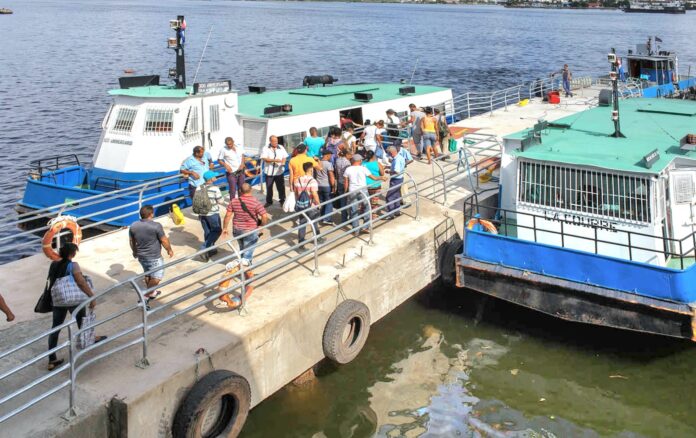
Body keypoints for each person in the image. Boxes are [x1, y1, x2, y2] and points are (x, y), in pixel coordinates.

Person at [46, 243, 104, 370]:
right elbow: (81, 282)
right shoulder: (73, 265)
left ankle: (52, 359)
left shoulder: (54, 264)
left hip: (59, 300)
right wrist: (92, 297)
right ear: (72, 254)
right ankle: (89, 339)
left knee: (55, 328)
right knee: (82, 321)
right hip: (73, 299)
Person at [129, 205, 174, 305]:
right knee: (157, 277)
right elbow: (164, 240)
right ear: (151, 214)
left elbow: (132, 241)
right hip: (154, 257)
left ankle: (152, 292)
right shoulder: (156, 226)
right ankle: (145, 296)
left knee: (148, 274)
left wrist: (135, 251)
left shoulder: (133, 226)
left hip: (141, 257)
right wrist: (169, 250)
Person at [222, 183, 268, 263]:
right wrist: (261, 226)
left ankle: (243, 267)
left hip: (237, 230)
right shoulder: (255, 202)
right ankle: (247, 271)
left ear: (240, 191)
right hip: (250, 230)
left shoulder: (234, 201)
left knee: (242, 249)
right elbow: (264, 216)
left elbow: (227, 216)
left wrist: (225, 228)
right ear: (251, 190)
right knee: (248, 253)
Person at [343, 154, 375, 236]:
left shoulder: (348, 169)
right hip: (363, 190)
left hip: (352, 191)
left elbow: (346, 182)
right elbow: (373, 177)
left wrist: (345, 192)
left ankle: (355, 229)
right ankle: (365, 227)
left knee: (354, 210)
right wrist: (381, 178)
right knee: (367, 207)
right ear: (359, 161)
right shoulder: (363, 168)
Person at [197, 171, 224, 261]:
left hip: (202, 213)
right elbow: (221, 201)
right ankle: (203, 248)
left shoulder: (199, 188)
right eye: (214, 177)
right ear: (211, 179)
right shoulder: (215, 188)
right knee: (217, 230)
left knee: (208, 232)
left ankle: (211, 250)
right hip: (212, 213)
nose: (216, 178)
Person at [294, 162, 322, 247]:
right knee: (314, 222)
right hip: (311, 205)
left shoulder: (298, 180)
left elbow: (296, 193)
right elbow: (314, 193)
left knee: (302, 223)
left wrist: (298, 202)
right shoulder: (312, 181)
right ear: (311, 169)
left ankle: (301, 243)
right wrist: (318, 204)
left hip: (301, 205)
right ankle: (318, 238)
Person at [260, 135, 288, 208]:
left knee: (281, 187)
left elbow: (284, 157)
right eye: (274, 141)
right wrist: (275, 160)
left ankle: (282, 200)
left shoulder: (281, 147)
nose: (276, 142)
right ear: (270, 141)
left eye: (276, 141)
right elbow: (265, 158)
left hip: (279, 172)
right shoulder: (265, 148)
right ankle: (269, 201)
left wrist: (283, 163)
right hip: (269, 172)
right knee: (269, 188)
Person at [315, 148, 336, 225]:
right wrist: (333, 186)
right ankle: (327, 219)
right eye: (330, 155)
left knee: (321, 201)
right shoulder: (328, 164)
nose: (331, 157)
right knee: (329, 202)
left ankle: (319, 216)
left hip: (318, 185)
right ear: (327, 155)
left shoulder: (317, 163)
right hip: (326, 185)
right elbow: (331, 176)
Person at [385, 146, 406, 219]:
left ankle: (390, 214)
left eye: (389, 153)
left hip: (395, 180)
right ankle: (397, 212)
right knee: (396, 195)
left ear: (391, 152)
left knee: (389, 197)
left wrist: (388, 171)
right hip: (400, 179)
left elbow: (396, 171)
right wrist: (388, 167)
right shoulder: (400, 157)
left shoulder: (396, 160)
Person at [363, 150, 384, 218]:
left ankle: (364, 214)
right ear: (373, 156)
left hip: (365, 185)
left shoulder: (363, 163)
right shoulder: (377, 163)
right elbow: (382, 173)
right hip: (375, 185)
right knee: (374, 201)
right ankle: (373, 215)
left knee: (365, 201)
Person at [334, 148, 352, 224]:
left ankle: (344, 219)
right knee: (350, 201)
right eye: (350, 154)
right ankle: (351, 218)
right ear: (347, 154)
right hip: (346, 183)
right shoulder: (347, 163)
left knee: (342, 201)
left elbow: (337, 173)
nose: (351, 156)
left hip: (340, 182)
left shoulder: (337, 160)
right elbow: (347, 176)